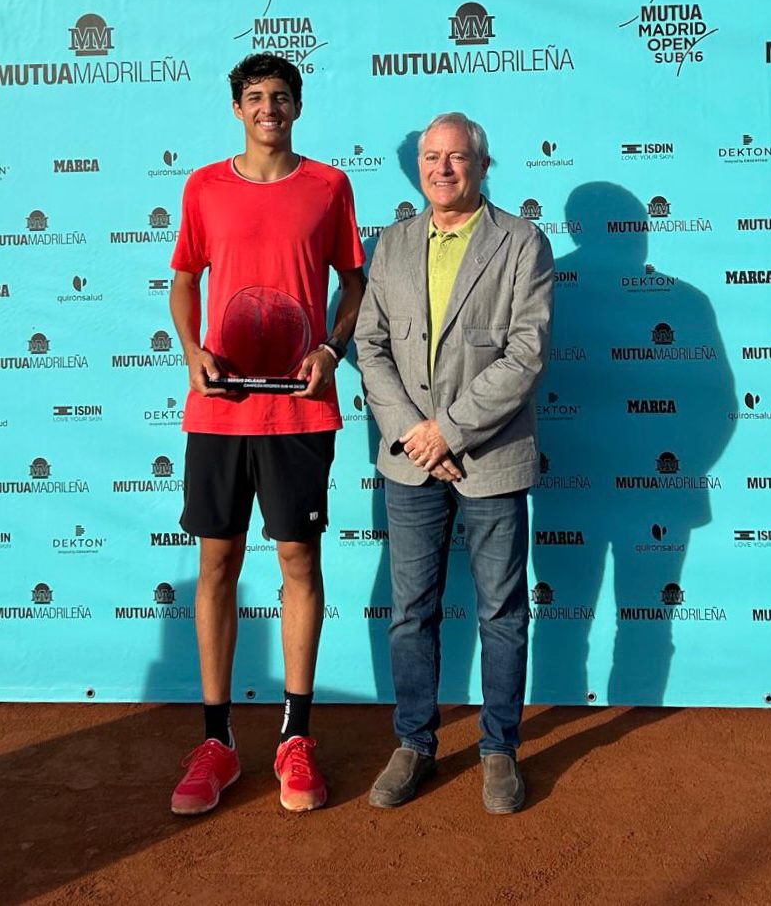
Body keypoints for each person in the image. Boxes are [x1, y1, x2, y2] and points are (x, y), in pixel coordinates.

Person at [167, 53, 365, 815]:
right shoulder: (204, 187)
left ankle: (295, 737)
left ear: (298, 107)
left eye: (280, 97)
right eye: (254, 98)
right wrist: (192, 352)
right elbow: (184, 279)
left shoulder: (328, 187)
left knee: (296, 562)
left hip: (298, 410)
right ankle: (216, 742)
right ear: (236, 109)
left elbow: (354, 281)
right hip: (221, 410)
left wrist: (330, 348)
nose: (268, 109)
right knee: (216, 565)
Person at [354, 112, 554, 813]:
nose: (443, 168)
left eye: (457, 157)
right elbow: (369, 347)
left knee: (501, 611)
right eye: (431, 157)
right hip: (410, 461)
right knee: (411, 612)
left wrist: (451, 432)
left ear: (483, 163)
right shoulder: (392, 244)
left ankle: (499, 749)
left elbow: (525, 353)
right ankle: (414, 743)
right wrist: (414, 432)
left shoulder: (521, 242)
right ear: (418, 168)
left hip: (490, 457)